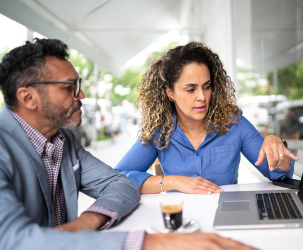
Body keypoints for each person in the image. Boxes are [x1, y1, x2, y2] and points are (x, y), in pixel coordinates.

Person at [0, 38, 256, 250]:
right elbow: (13, 241)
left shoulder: (63, 140)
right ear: (28, 97)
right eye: (70, 87)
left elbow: (120, 184)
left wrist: (84, 224)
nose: (82, 95)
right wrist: (150, 242)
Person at [115, 42, 299, 195]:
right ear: (170, 92)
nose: (202, 97)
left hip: (227, 219)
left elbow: (278, 175)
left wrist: (276, 144)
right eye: (191, 89)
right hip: (182, 223)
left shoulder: (234, 123)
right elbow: (118, 178)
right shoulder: (159, 130)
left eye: (207, 86)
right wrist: (175, 182)